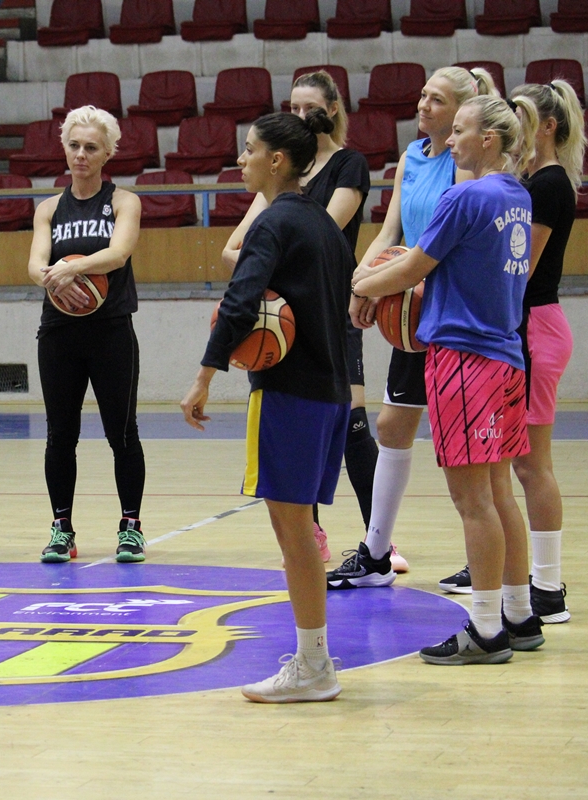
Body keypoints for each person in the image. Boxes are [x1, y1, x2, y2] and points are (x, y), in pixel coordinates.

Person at [352, 94, 543, 665]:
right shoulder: (517, 195)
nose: (450, 141)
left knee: (472, 500)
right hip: (507, 355)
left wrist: (360, 287)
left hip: (464, 357)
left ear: (488, 139)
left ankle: (484, 629)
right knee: (500, 494)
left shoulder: (464, 196)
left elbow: (413, 267)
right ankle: (518, 614)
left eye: (459, 131)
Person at [181, 110, 352, 702]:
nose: (241, 159)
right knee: (300, 530)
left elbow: (239, 303)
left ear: (276, 160)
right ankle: (314, 660)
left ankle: (314, 666)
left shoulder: (273, 222)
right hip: (331, 393)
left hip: (290, 394)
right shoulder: (324, 225)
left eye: (249, 149)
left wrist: (204, 376)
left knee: (293, 532)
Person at [326, 66, 497, 591]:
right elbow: (391, 232)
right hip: (414, 310)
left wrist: (380, 285)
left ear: (463, 111)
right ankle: (376, 554)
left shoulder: (467, 166)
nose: (423, 105)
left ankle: (485, 558)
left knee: (468, 451)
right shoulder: (412, 157)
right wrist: (361, 283)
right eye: (423, 95)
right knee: (392, 428)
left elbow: (443, 245)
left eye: (437, 99)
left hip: (454, 312)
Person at [435, 81, 584, 623]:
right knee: (509, 471)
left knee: (530, 466)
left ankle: (547, 586)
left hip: (533, 325)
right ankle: (515, 582)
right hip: (527, 326)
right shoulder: (527, 184)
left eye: (522, 118)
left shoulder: (546, 185)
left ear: (546, 127)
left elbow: (518, 272)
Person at [223, 71, 374, 565]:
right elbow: (231, 250)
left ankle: (378, 537)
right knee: (295, 431)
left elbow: (319, 235)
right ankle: (311, 531)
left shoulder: (347, 164)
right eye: (293, 107)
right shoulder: (274, 179)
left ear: (332, 111)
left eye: (311, 107)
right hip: (284, 313)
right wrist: (262, 264)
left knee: (353, 422)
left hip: (330, 308)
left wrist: (266, 257)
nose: (302, 114)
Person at [27, 105, 145, 563]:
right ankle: (62, 528)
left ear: (107, 153)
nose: (80, 154)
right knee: (60, 434)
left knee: (122, 433)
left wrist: (69, 269)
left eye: (91, 147)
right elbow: (34, 265)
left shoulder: (123, 202)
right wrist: (51, 276)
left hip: (111, 330)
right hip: (59, 333)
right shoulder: (48, 209)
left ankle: (130, 527)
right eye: (74, 145)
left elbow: (119, 253)